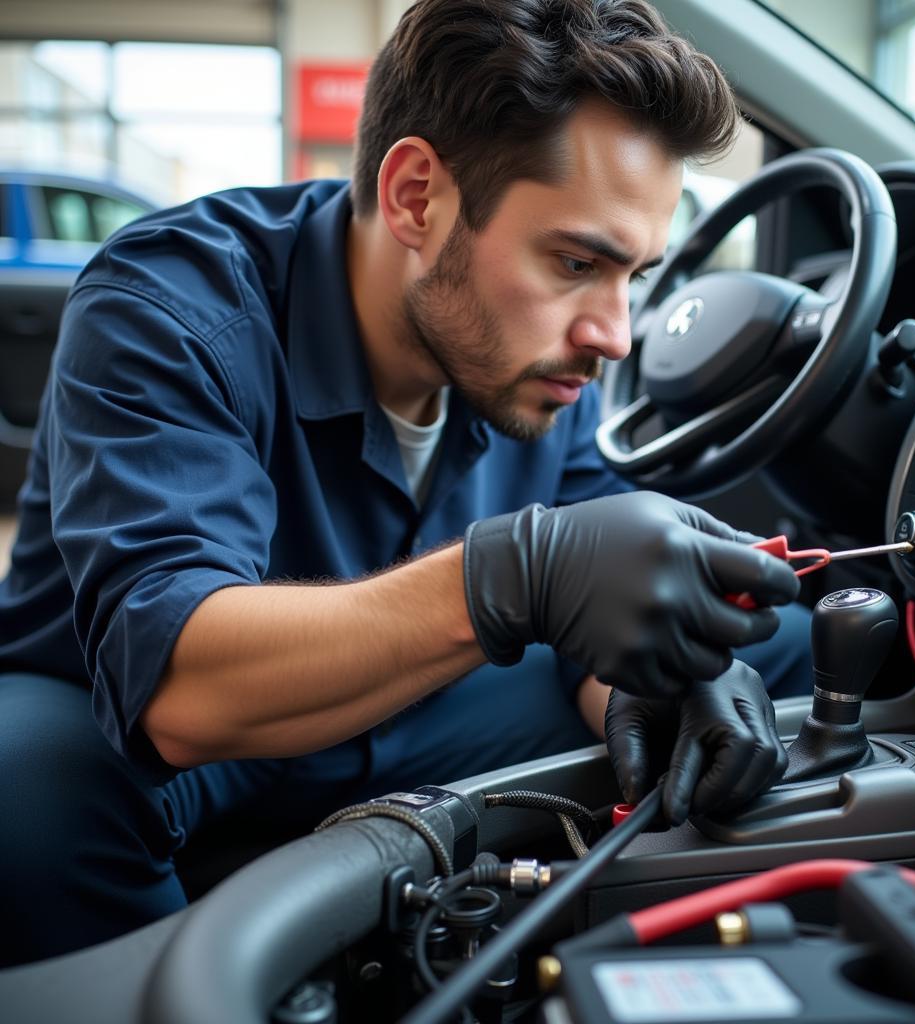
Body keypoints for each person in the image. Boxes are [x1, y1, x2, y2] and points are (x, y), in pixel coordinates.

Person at [0, 0, 810, 966]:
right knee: (23, 786)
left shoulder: (541, 364)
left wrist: (653, 679)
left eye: (632, 275)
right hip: (167, 742)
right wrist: (510, 577)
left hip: (424, 705)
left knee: (778, 646)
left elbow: (594, 599)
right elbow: (183, 692)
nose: (615, 332)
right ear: (418, 195)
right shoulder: (170, 308)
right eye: (576, 261)